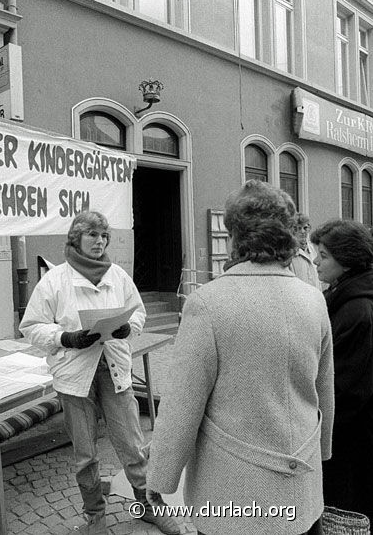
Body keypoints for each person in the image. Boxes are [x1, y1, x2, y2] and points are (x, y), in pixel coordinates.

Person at [147, 180, 334, 535]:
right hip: (302, 487)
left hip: (233, 495)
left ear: (234, 236)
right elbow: (324, 388)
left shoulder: (208, 303)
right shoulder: (313, 299)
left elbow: (182, 403)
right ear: (288, 235)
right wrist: (322, 448)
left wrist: (160, 478)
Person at [19, 211, 179, 535]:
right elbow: (31, 326)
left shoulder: (117, 276)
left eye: (104, 236)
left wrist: (126, 328)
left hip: (114, 369)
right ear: (75, 238)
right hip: (74, 376)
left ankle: (148, 506)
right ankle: (95, 515)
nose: (100, 241)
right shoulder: (54, 280)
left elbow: (139, 313)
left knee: (132, 445)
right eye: (92, 235)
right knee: (85, 455)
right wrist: (65, 337)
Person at [312, 219, 373, 535]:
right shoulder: (348, 296)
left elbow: (348, 390)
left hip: (355, 441)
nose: (316, 261)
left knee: (350, 517)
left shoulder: (359, 310)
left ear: (345, 260)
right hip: (351, 435)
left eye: (323, 255)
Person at [290, 212, 320, 287]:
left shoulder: (312, 249)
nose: (303, 232)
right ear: (292, 231)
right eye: (298, 228)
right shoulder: (290, 252)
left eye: (305, 228)